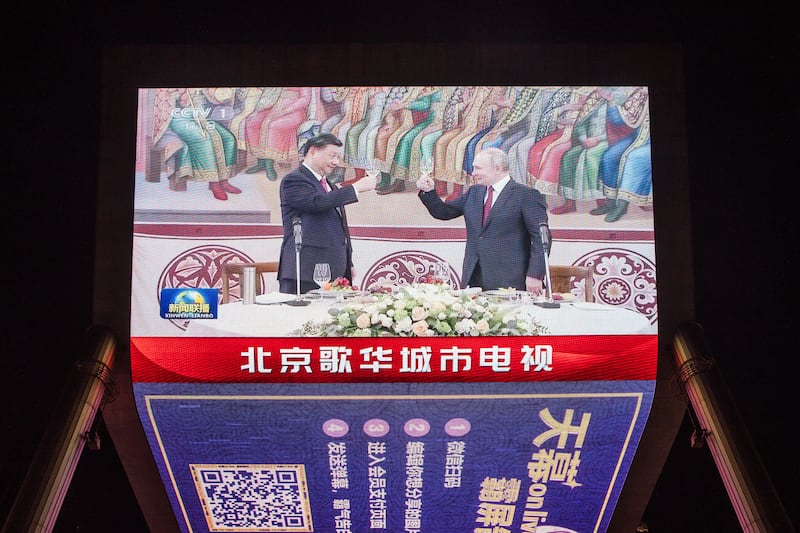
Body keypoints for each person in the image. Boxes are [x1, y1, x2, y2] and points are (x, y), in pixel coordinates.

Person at [416, 147, 548, 293]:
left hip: (511, 279)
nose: (473, 173)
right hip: (475, 277)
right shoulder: (474, 192)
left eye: (478, 168)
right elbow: (444, 212)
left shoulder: (526, 195)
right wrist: (429, 192)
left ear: (497, 168)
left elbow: (540, 237)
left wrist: (535, 275)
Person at [278, 133, 376, 294]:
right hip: (305, 270)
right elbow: (317, 202)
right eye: (332, 156)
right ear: (313, 151)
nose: (336, 162)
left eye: (338, 157)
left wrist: (347, 263)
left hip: (334, 270)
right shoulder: (294, 180)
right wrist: (355, 188)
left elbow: (338, 228)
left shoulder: (329, 185)